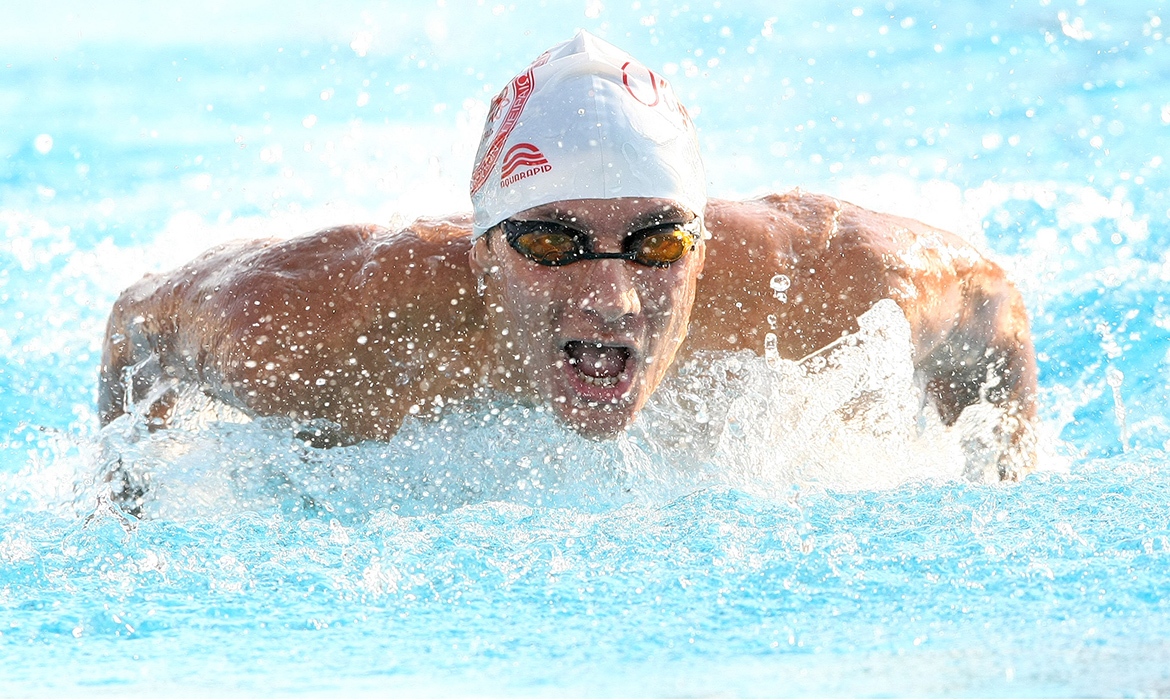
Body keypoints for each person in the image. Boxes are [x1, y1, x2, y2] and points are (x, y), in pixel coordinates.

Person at [99, 31, 1037, 484]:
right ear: (482, 255)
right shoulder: (310, 327)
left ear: (703, 245)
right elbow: (138, 328)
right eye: (551, 242)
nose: (613, 299)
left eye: (658, 242)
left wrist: (1000, 484)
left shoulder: (822, 283)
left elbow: (992, 306)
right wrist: (123, 504)